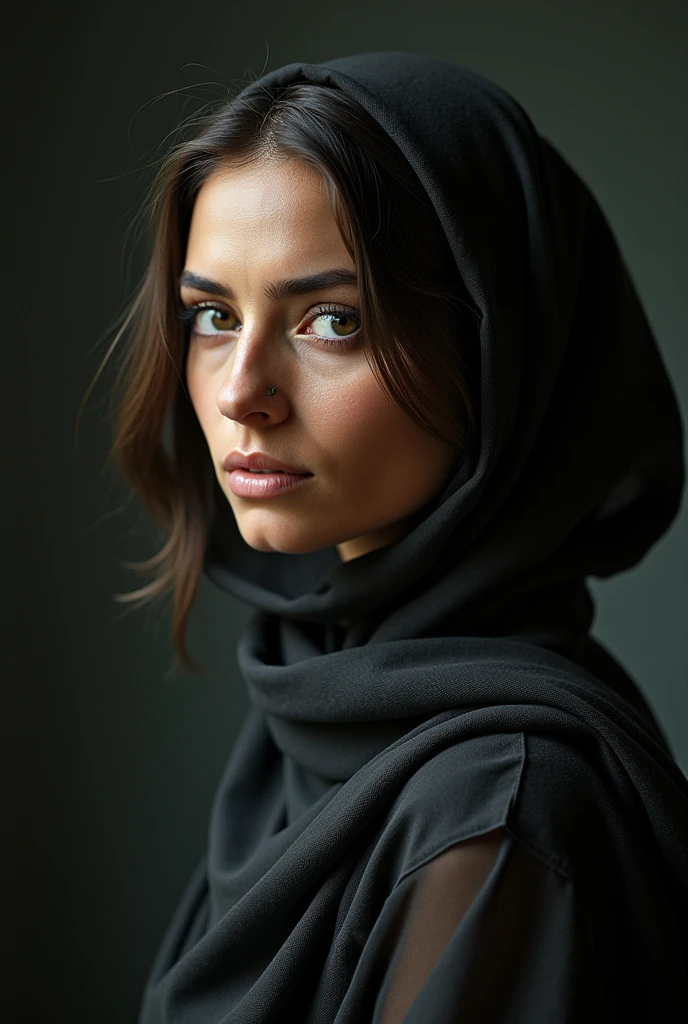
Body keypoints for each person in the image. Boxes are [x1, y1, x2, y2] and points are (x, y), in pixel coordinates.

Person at [102, 51, 688, 1021]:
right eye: (211, 315)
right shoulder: (320, 702)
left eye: (331, 320)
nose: (241, 389)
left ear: (496, 354)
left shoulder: (494, 811)